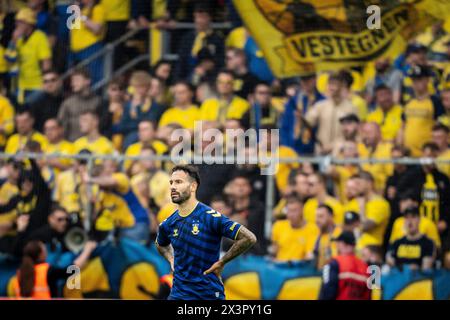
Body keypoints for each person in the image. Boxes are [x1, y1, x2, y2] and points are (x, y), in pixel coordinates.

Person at [155, 165, 256, 300]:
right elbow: (160, 244)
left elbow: (248, 238)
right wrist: (171, 259)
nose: (173, 187)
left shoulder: (210, 217)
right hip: (179, 295)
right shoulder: (168, 223)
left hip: (207, 294)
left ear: (193, 186)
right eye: (171, 183)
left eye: (179, 182)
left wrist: (222, 262)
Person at [12, 240, 93, 298]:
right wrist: (88, 249)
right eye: (45, 250)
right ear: (40, 254)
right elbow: (73, 269)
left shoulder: (19, 273)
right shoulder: (47, 271)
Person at [4, 7, 52, 106]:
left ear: (29, 24)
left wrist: (46, 82)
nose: (17, 25)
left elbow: (46, 62)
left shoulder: (40, 37)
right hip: (21, 86)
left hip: (37, 85)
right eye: (17, 22)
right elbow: (9, 59)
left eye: (21, 22)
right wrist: (13, 41)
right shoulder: (18, 40)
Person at [304, 72, 357, 155]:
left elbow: (354, 133)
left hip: (340, 153)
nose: (331, 87)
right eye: (330, 84)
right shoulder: (320, 105)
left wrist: (333, 146)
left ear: (342, 86)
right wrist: (302, 118)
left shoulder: (351, 108)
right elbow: (308, 122)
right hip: (320, 151)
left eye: (335, 84)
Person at [399, 65, 444, 157]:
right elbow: (403, 126)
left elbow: (440, 128)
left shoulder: (435, 101)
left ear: (427, 80)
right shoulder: (408, 102)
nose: (416, 83)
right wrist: (400, 146)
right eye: (414, 80)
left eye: (419, 80)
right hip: (408, 154)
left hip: (427, 154)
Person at [174, 3, 224, 81]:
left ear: (210, 18)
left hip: (209, 79)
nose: (199, 20)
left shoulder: (217, 39)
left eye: (203, 17)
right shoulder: (187, 38)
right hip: (188, 77)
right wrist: (177, 81)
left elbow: (220, 62)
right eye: (197, 17)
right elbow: (181, 62)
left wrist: (210, 66)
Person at [280, 73, 325, 155]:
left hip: (314, 150)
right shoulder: (292, 101)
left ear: (315, 79)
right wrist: (287, 147)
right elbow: (285, 126)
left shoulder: (322, 101)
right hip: (293, 149)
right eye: (303, 79)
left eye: (308, 79)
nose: (305, 82)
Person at [319, 231, 371, 300]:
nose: (337, 245)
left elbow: (328, 291)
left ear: (342, 244)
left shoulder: (334, 263)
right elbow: (369, 294)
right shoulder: (366, 266)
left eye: (337, 243)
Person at [271, 194, 319, 261]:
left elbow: (309, 254)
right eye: (289, 211)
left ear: (302, 210)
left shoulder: (312, 229)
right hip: (280, 266)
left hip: (299, 268)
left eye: (294, 210)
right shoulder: (278, 226)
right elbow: (274, 251)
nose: (291, 214)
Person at [57, 69, 101, 142]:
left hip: (93, 145)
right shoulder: (67, 103)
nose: (73, 84)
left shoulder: (98, 102)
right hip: (72, 146)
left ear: (87, 81)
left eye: (77, 80)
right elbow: (61, 126)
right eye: (72, 81)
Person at [387, 206, 436, 271]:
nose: (410, 221)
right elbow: (390, 263)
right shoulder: (397, 243)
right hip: (398, 278)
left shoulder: (428, 243)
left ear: (419, 220)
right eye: (407, 218)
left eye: (413, 217)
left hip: (418, 279)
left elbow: (426, 269)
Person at [69, 0, 105, 86]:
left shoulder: (98, 9)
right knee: (77, 80)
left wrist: (80, 15)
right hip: (75, 52)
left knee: (93, 78)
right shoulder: (81, 11)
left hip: (91, 49)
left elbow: (97, 29)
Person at [356, 171, 391, 252]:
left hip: (372, 251)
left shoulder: (380, 204)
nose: (356, 187)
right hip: (356, 249)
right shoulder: (357, 201)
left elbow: (366, 227)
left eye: (358, 183)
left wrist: (362, 209)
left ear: (369, 183)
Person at [358, 122, 393, 193]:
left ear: (378, 133)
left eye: (368, 133)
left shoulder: (388, 150)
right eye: (363, 133)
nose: (365, 136)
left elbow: (391, 176)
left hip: (383, 193)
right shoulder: (365, 152)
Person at [313, 204, 342, 269]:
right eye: (316, 217)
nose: (317, 220)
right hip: (318, 274)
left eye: (321, 216)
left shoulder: (339, 234)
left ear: (330, 216)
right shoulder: (315, 235)